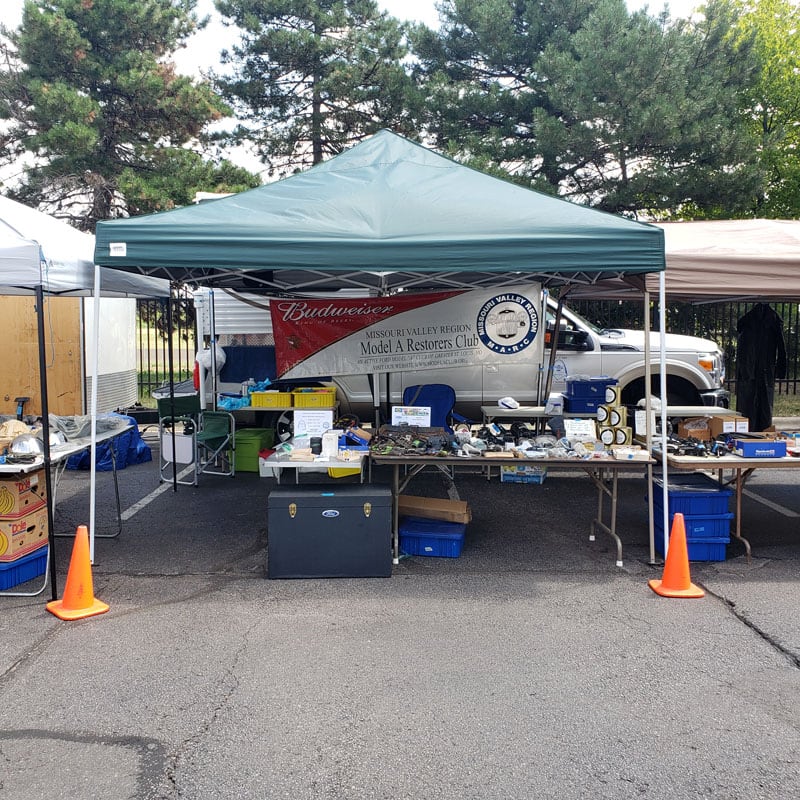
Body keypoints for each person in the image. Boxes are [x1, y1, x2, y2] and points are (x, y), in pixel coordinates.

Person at [735, 303, 787, 431]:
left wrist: (781, 368)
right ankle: (754, 430)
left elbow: (781, 346)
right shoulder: (753, 321)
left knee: (756, 404)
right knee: (752, 403)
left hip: (759, 368)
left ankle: (755, 430)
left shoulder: (771, 321)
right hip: (758, 368)